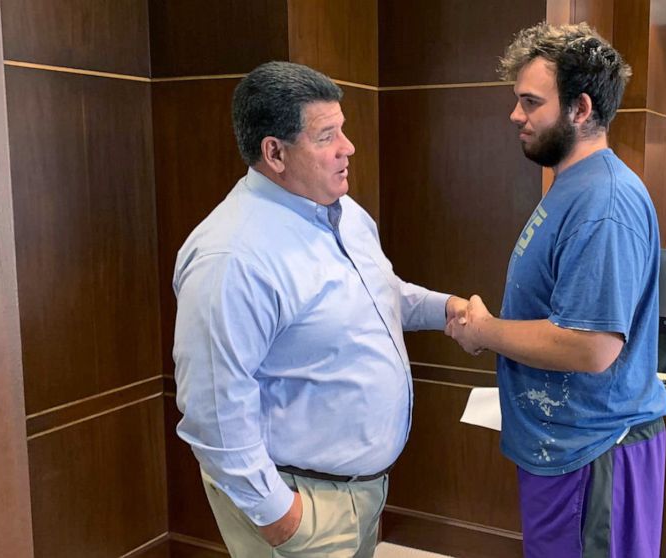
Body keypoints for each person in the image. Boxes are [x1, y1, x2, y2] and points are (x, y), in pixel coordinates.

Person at [172, 61, 467, 558]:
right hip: (300, 503)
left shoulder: (344, 212)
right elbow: (213, 409)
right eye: (326, 135)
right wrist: (280, 517)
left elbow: (375, 294)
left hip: (362, 492)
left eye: (343, 130)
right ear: (275, 152)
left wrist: (446, 310)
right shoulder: (233, 256)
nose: (347, 147)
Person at [446, 23, 666, 558]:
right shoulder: (572, 186)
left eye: (530, 102)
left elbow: (591, 346)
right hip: (562, 447)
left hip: (594, 452)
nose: (516, 116)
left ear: (580, 108)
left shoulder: (605, 205)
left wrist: (485, 332)